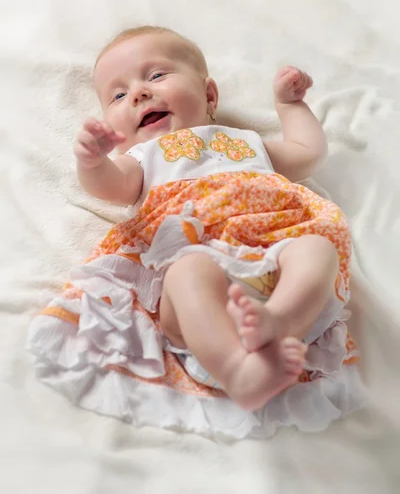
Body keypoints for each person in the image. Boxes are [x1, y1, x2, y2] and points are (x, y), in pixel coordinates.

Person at [71, 25, 351, 411]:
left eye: (156, 75)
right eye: (118, 95)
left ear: (209, 94)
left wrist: (290, 107)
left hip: (273, 262)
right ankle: (238, 370)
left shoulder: (243, 141)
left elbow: (307, 152)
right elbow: (107, 186)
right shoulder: (141, 158)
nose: (138, 92)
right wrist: (92, 160)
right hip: (198, 281)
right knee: (189, 270)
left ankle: (279, 320)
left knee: (318, 248)